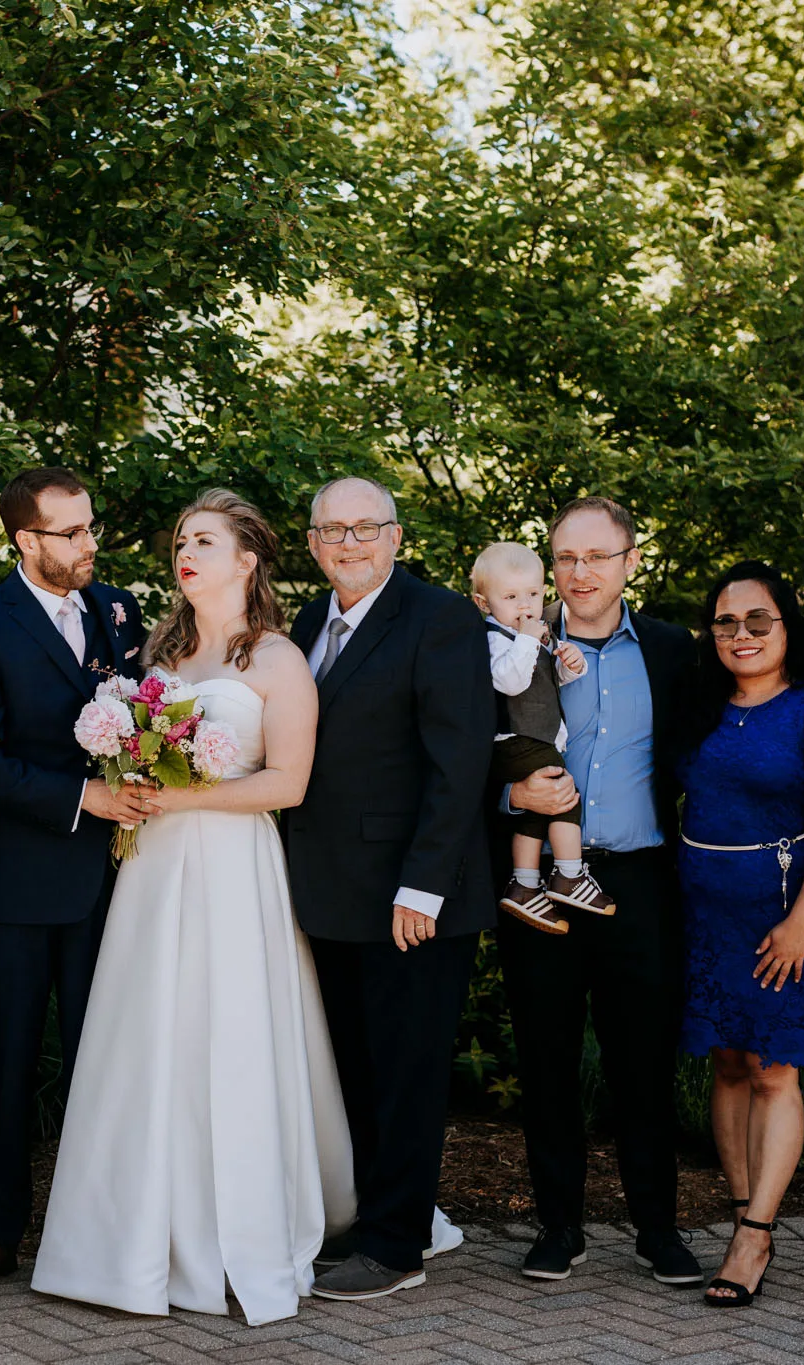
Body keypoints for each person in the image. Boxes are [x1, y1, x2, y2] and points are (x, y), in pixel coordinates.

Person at [32, 489, 354, 1325]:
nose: (188, 551)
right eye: (182, 539)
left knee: (226, 1031)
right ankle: (131, 1233)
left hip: (233, 865)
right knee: (149, 1035)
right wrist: (127, 782)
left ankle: (228, 1233)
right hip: (152, 868)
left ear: (247, 559)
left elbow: (288, 783)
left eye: (206, 540)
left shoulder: (279, 659)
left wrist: (183, 798)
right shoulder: (154, 658)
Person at [283, 476, 496, 1302]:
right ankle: (384, 1216)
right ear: (311, 544)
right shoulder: (309, 623)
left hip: (411, 893)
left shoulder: (438, 618)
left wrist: (425, 885)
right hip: (331, 889)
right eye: (331, 530)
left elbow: (459, 761)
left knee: (406, 1072)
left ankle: (397, 1244)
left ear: (396, 536)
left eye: (365, 528)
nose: (348, 542)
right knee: (358, 1071)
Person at [0, 468, 151, 1292]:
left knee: (116, 1057)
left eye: (90, 527)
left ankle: (107, 1226)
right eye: (71, 533)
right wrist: (86, 795)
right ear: (25, 540)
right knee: (9, 1060)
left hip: (118, 879)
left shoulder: (120, 611)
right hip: (17, 883)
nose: (88, 543)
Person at [496, 496, 704, 1286]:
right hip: (539, 881)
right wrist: (517, 800)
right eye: (567, 557)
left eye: (598, 557)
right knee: (546, 1057)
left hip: (639, 880)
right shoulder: (518, 644)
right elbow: (472, 745)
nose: (580, 572)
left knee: (642, 1063)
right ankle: (559, 1228)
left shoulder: (672, 650)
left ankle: (658, 1229)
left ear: (630, 561)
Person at [674, 562, 804, 1308]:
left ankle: (756, 1233)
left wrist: (801, 922)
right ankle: (739, 1208)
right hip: (704, 915)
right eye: (726, 622)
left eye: (758, 620)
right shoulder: (700, 703)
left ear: (787, 627)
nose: (742, 634)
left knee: (772, 1070)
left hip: (785, 915)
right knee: (725, 1061)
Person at [470, 541, 610, 934]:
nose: (524, 605)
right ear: (484, 603)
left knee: (536, 809)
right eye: (511, 597)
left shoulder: (535, 633)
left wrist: (569, 665)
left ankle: (525, 884)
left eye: (532, 594)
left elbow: (547, 681)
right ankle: (569, 874)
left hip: (538, 736)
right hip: (514, 737)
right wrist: (531, 640)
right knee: (563, 796)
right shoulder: (495, 638)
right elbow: (511, 683)